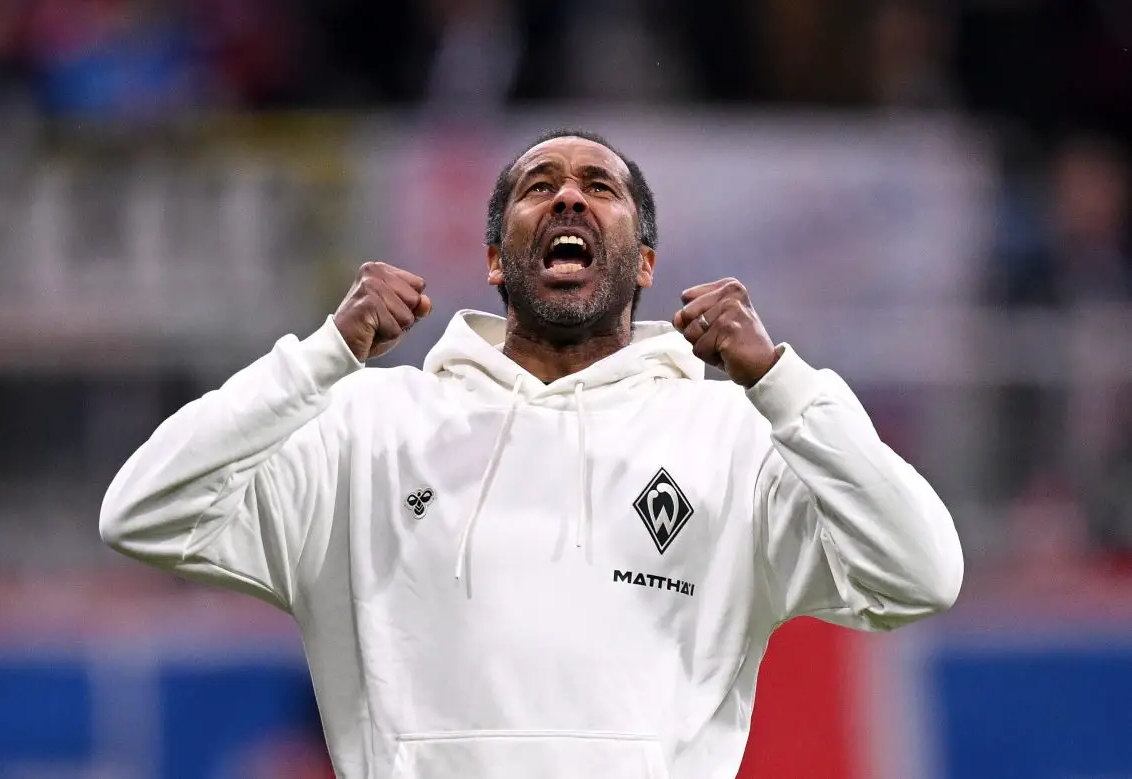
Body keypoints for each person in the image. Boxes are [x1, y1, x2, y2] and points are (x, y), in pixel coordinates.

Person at [100, 129, 964, 778]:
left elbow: (921, 573)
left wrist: (780, 380)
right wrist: (324, 353)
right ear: (493, 261)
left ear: (647, 261)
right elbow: (143, 511)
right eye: (539, 186)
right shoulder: (366, 425)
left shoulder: (735, 438)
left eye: (599, 186)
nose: (568, 199)